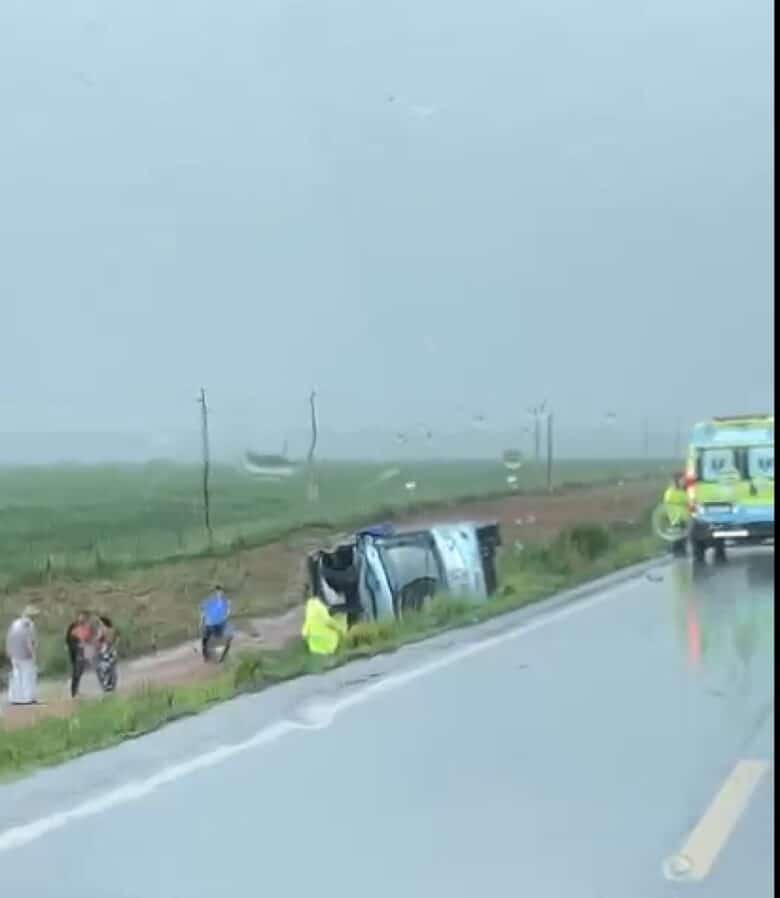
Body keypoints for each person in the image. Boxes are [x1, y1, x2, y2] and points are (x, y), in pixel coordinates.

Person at [5, 606, 40, 705]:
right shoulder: (29, 625)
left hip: (14, 654)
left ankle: (14, 697)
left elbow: (9, 638)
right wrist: (33, 654)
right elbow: (29, 641)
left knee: (16, 675)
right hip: (25, 655)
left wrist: (9, 651)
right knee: (27, 675)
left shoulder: (14, 624)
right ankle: (27, 697)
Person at [65, 610, 95, 698]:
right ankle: (73, 691)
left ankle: (76, 690)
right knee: (76, 671)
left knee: (80, 671)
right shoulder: (73, 626)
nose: (82, 618)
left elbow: (90, 638)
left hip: (83, 651)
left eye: (85, 617)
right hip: (75, 651)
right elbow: (68, 639)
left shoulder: (88, 627)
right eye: (81, 616)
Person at [200, 586, 233, 663]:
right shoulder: (209, 601)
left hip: (219, 624)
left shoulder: (226, 602)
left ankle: (221, 657)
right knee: (205, 640)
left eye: (220, 593)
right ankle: (206, 656)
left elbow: (227, 613)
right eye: (217, 593)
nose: (219, 594)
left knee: (221, 640)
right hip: (209, 623)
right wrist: (202, 621)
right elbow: (203, 610)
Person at [95, 615, 119, 693]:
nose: (99, 624)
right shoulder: (113, 630)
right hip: (113, 651)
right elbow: (117, 640)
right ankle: (113, 685)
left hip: (105, 651)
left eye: (99, 622)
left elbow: (97, 640)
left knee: (103, 669)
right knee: (112, 669)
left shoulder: (102, 630)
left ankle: (107, 687)